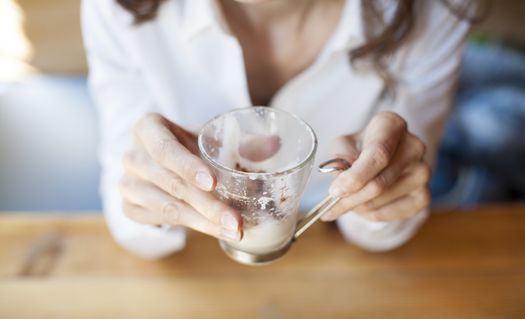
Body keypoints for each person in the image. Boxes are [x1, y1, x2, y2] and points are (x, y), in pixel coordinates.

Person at [81, 0, 471, 259]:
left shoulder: (437, 10)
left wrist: (379, 194)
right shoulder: (117, 9)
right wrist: (155, 195)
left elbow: (385, 229)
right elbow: (133, 226)